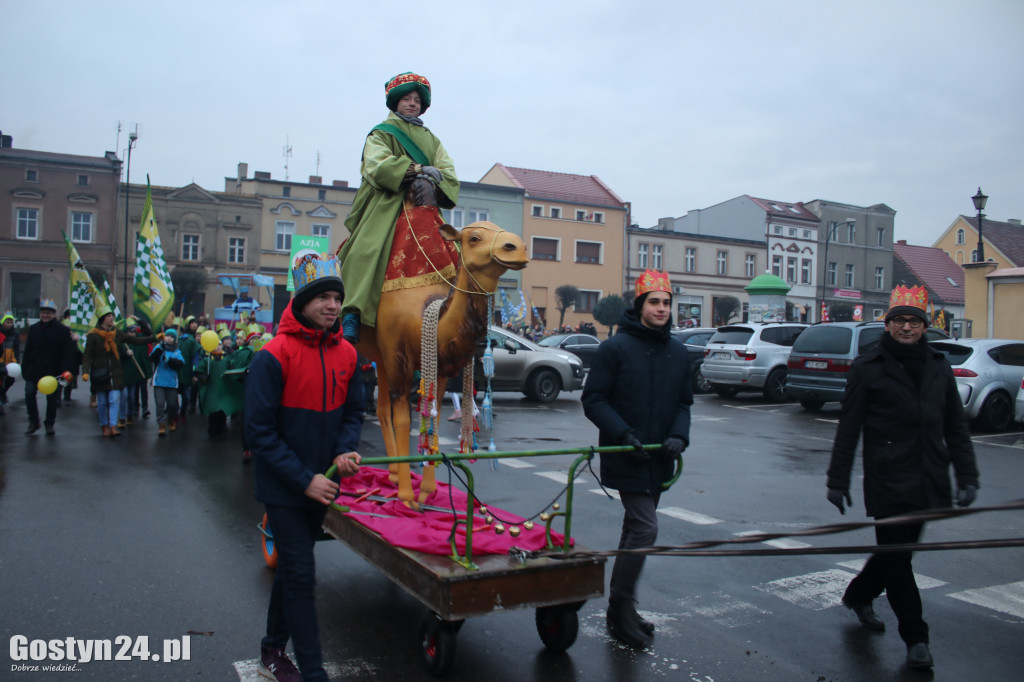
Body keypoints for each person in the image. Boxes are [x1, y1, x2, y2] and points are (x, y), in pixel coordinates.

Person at [826, 285, 979, 670]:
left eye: (914, 321)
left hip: (930, 476)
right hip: (888, 478)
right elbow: (849, 427)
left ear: (924, 326)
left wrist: (967, 474)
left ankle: (859, 594)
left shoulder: (938, 365)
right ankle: (917, 638)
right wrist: (837, 480)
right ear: (888, 324)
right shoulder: (868, 366)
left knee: (898, 553)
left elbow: (956, 426)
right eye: (899, 320)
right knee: (899, 562)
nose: (907, 327)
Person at [246, 252, 364, 682]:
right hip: (284, 489)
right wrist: (303, 479)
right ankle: (313, 672)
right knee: (301, 574)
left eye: (337, 297)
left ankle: (271, 650)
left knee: (294, 570)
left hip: (324, 485)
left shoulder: (348, 354)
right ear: (301, 300)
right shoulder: (272, 355)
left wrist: (342, 452)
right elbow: (258, 433)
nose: (332, 306)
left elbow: (353, 414)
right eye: (322, 298)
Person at [582, 269, 693, 649]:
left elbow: (683, 402)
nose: (661, 308)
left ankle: (621, 607)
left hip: (660, 457)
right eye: (654, 302)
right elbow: (593, 399)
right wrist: (623, 434)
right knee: (646, 528)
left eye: (666, 302)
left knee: (634, 528)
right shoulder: (614, 348)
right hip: (625, 453)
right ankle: (620, 609)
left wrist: (679, 436)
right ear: (640, 306)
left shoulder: (679, 352)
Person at [337, 72, 459, 343]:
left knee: (457, 251)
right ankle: (351, 313)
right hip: (386, 202)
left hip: (423, 203)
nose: (412, 103)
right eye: (406, 99)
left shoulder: (432, 139)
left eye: (417, 100)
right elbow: (376, 163)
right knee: (363, 251)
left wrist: (433, 178)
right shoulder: (381, 133)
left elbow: (448, 170)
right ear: (395, 102)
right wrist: (416, 169)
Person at [81, 311, 156, 438]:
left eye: (112, 316)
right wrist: (85, 372)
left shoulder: (117, 333)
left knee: (114, 399)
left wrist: (154, 338)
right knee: (103, 402)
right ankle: (104, 426)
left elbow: (135, 340)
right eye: (108, 316)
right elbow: (87, 355)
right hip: (100, 373)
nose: (111, 318)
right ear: (102, 319)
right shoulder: (93, 335)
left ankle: (113, 426)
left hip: (115, 373)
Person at [21, 299, 76, 436]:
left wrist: (66, 370)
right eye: (43, 313)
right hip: (34, 370)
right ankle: (33, 421)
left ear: (54, 314)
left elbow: (67, 353)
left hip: (54, 371)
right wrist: (25, 369)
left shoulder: (62, 331)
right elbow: (28, 351)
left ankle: (49, 424)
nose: (45, 315)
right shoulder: (33, 329)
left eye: (48, 313)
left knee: (52, 400)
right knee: (29, 393)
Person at [150, 328, 185, 436]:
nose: (169, 338)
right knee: (160, 403)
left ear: (175, 340)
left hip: (171, 382)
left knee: (172, 404)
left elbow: (180, 364)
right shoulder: (159, 347)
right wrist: (160, 349)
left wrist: (169, 360)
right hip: (159, 381)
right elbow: (152, 358)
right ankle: (161, 424)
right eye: (167, 336)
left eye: (171, 337)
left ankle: (170, 419)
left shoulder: (177, 351)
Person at [1, 312, 21, 414]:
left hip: (10, 361)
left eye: (10, 322)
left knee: (10, 380)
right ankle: (1, 400)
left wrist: (17, 361)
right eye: (7, 322)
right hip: (0, 360)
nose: (9, 324)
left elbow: (16, 348)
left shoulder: (15, 334)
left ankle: (3, 394)